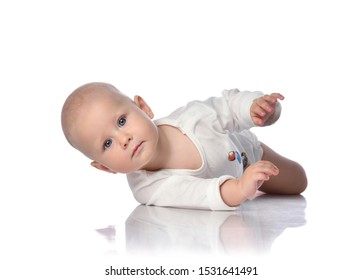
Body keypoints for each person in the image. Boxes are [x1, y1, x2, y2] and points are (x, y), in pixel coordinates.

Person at [61, 82, 307, 210]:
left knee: (298, 181)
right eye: (107, 143)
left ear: (143, 108)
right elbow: (201, 195)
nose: (123, 139)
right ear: (105, 167)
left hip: (249, 154)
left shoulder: (192, 118)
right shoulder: (150, 188)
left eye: (122, 121)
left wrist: (256, 109)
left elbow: (227, 107)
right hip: (235, 184)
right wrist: (242, 188)